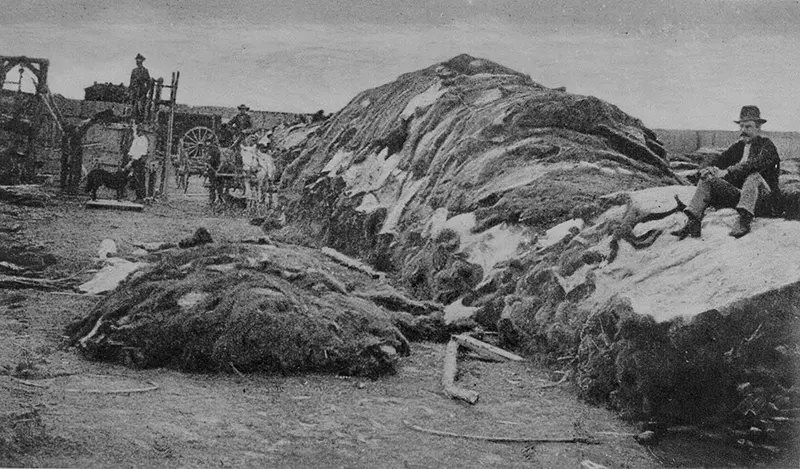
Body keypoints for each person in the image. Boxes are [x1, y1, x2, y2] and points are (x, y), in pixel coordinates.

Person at [671, 106, 781, 239]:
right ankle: (693, 221)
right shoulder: (738, 146)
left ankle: (744, 220)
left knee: (754, 176)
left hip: (763, 199)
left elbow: (753, 165)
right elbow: (719, 160)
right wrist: (709, 168)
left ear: (758, 128)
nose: (743, 131)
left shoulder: (767, 145)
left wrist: (727, 172)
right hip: (741, 197)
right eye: (741, 127)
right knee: (707, 178)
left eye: (748, 127)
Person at [124, 121, 150, 203]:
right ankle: (137, 196)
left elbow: (138, 154)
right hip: (135, 160)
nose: (137, 132)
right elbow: (134, 134)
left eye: (139, 131)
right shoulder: (137, 138)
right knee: (135, 179)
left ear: (142, 132)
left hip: (138, 161)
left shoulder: (143, 140)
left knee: (139, 179)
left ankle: (140, 198)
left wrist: (131, 162)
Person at [128, 53, 151, 122]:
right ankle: (133, 120)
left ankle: (141, 120)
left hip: (141, 91)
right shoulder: (134, 71)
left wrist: (145, 91)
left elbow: (148, 82)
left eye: (139, 60)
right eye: (137, 61)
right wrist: (130, 91)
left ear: (141, 61)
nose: (137, 62)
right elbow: (131, 82)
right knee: (133, 106)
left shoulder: (145, 71)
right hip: (134, 91)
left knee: (141, 106)